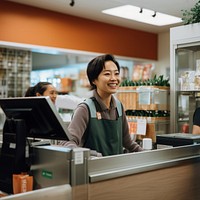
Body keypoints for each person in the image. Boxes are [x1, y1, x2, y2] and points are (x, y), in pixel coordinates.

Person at [59, 54, 143, 156]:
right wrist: (90, 154)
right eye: (107, 74)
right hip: (94, 170)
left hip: (117, 169)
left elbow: (128, 142)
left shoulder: (119, 107)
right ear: (94, 80)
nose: (114, 78)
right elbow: (67, 142)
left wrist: (148, 155)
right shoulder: (85, 109)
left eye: (116, 73)